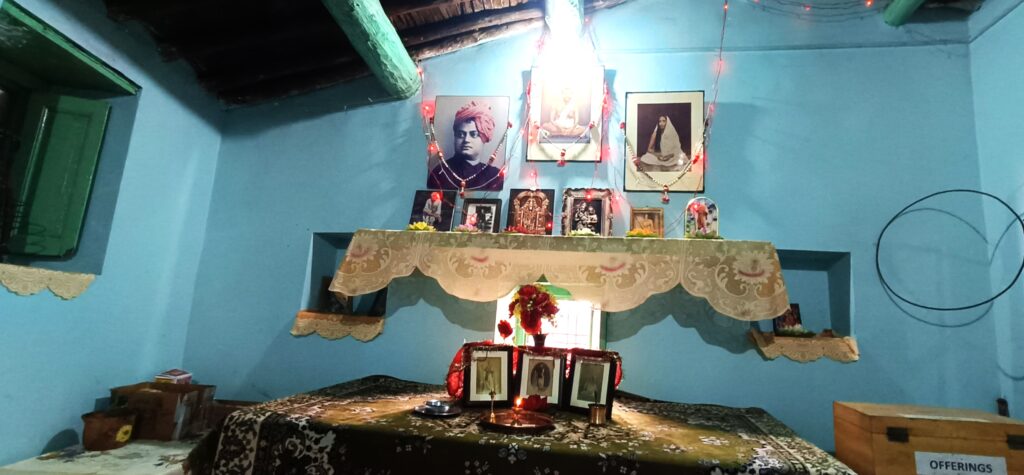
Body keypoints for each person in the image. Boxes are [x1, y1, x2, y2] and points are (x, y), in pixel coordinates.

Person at [427, 101, 504, 191]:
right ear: (455, 137)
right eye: (461, 134)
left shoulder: (494, 176)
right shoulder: (440, 173)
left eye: (473, 134)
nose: (466, 140)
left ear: (484, 137)